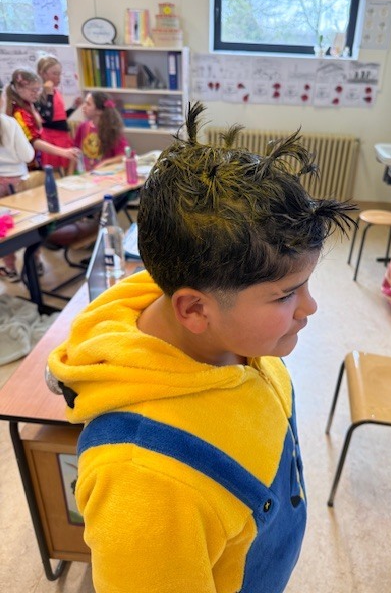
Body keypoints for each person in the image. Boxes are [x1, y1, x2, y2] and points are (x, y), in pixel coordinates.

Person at [46, 102, 355, 593]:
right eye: (286, 294)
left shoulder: (228, 327)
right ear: (193, 309)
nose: (310, 307)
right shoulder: (145, 480)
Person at [4, 69, 79, 170]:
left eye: (38, 90)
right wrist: (63, 152)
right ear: (19, 89)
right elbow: (33, 141)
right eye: (33, 90)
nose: (36, 93)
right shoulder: (19, 112)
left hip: (32, 158)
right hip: (24, 163)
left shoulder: (28, 104)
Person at [0, 113, 35, 281]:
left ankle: (10, 268)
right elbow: (28, 155)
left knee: (5, 228)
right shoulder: (10, 122)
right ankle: (35, 263)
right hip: (18, 182)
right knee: (29, 223)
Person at [35, 55, 82, 175]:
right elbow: (48, 118)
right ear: (43, 74)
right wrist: (49, 94)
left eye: (59, 74)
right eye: (54, 74)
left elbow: (60, 118)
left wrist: (73, 107)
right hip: (51, 138)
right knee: (54, 172)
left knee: (67, 169)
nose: (58, 78)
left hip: (62, 136)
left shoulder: (55, 91)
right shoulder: (39, 93)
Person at [73, 91, 128, 170]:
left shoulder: (111, 129)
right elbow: (74, 153)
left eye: (88, 104)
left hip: (103, 174)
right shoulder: (82, 127)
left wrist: (105, 163)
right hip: (85, 174)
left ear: (99, 111)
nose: (84, 106)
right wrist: (69, 174)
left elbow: (122, 156)